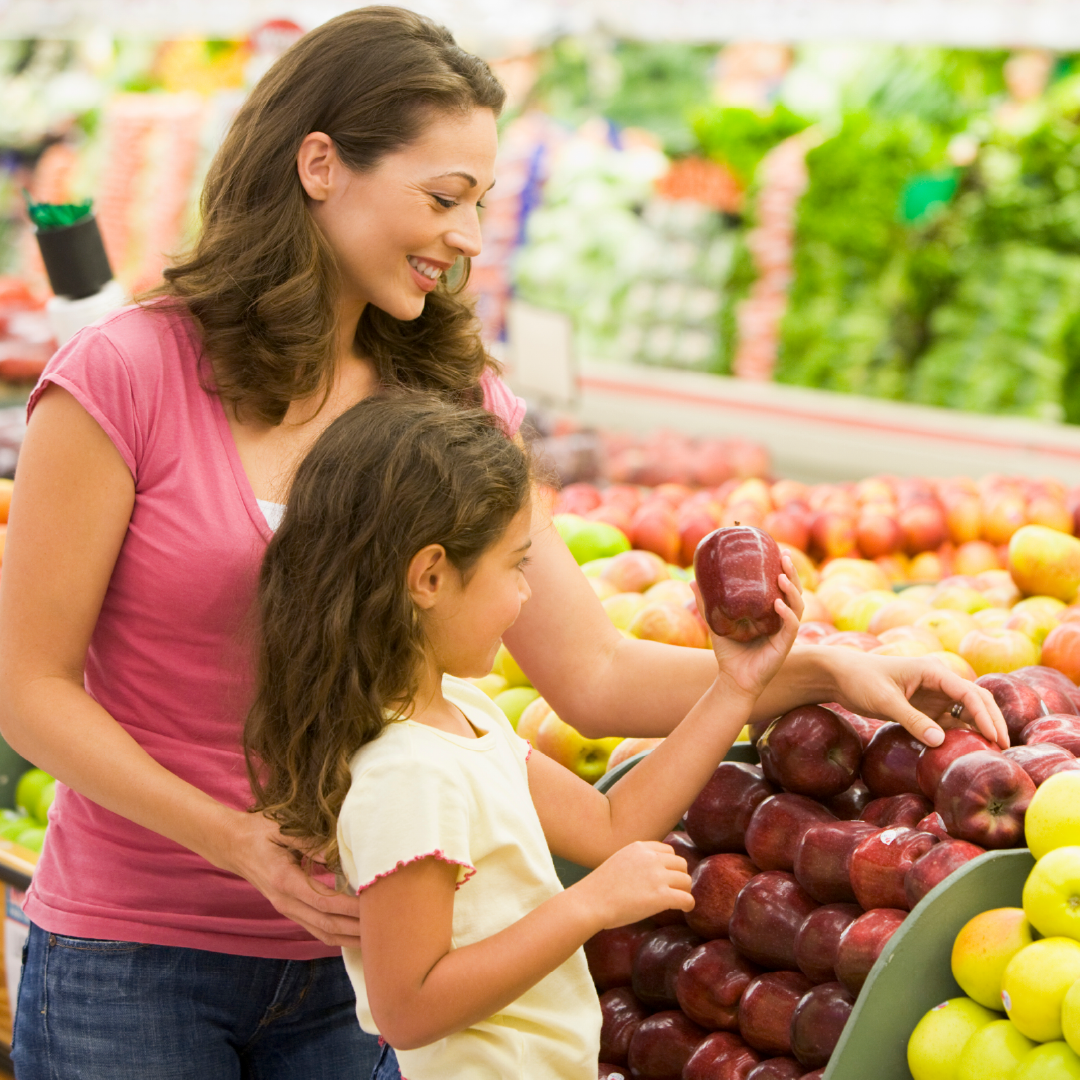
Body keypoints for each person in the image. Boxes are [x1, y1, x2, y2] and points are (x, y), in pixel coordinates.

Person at [0, 6, 1005, 1078]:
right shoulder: (128, 374)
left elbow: (594, 673)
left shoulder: (456, 405)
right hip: (136, 956)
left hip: (369, 972)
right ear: (321, 163)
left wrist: (827, 671)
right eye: (443, 199)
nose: (469, 239)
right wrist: (232, 838)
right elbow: (27, 685)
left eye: (480, 203)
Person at [243, 392, 806, 1079]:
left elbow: (610, 823)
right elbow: (409, 1007)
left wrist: (737, 688)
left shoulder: (461, 713)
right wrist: (588, 906)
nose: (526, 596)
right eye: (515, 566)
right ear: (428, 577)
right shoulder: (408, 774)